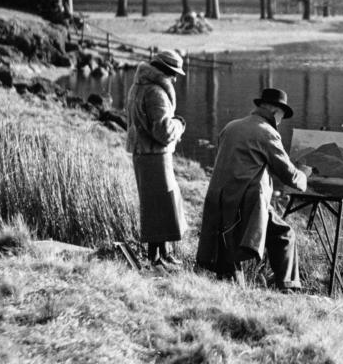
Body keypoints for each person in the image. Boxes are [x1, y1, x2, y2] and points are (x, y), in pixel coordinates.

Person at [195, 87, 308, 290]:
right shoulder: (267, 133)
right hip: (246, 204)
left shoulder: (230, 127)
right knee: (285, 235)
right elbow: (288, 174)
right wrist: (304, 177)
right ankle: (289, 288)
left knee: (229, 255)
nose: (282, 121)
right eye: (282, 115)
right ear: (275, 112)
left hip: (218, 200)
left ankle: (235, 289)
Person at [126, 49, 188, 269]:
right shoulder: (156, 92)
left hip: (142, 153)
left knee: (155, 206)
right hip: (155, 155)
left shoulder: (138, 86)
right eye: (174, 74)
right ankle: (157, 258)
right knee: (161, 205)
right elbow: (163, 131)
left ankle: (161, 254)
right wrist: (179, 124)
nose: (175, 79)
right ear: (166, 71)